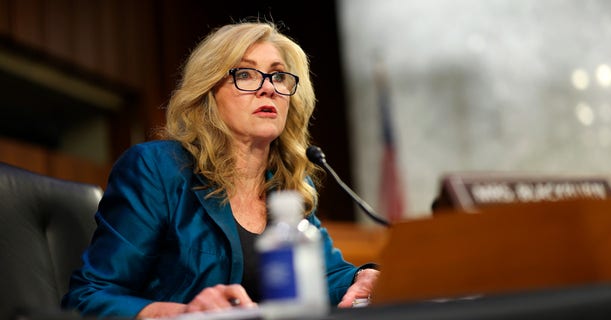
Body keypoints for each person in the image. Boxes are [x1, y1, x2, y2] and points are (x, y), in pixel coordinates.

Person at [61, 20, 379, 319]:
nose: (268, 88)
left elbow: (325, 275)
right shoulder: (157, 169)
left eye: (279, 76)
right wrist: (183, 313)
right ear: (209, 91)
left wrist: (362, 277)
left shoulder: (287, 182)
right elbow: (89, 296)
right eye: (246, 74)